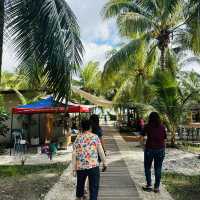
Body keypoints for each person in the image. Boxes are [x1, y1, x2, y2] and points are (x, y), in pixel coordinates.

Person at [72, 119, 107, 200]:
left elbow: (74, 154)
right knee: (94, 188)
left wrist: (73, 169)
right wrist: (105, 163)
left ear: (82, 127)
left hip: (80, 167)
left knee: (80, 186)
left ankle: (79, 197)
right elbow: (101, 151)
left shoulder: (78, 138)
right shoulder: (95, 137)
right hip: (93, 166)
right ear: (90, 127)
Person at [141, 112, 167, 193]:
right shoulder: (162, 127)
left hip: (149, 149)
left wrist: (142, 146)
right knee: (158, 168)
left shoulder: (147, 126)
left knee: (147, 167)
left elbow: (141, 137)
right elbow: (165, 139)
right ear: (158, 118)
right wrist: (164, 149)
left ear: (150, 118)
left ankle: (149, 185)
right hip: (160, 149)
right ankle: (156, 187)